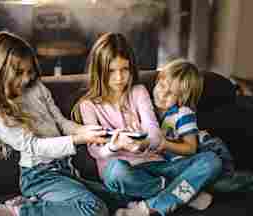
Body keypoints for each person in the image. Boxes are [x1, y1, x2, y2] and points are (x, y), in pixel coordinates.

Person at [71, 32, 222, 216]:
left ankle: (151, 206)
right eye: (111, 71)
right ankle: (184, 195)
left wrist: (142, 143)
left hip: (156, 166)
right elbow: (95, 151)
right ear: (100, 70)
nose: (119, 77)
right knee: (116, 172)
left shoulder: (138, 91)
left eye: (124, 69)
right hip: (125, 173)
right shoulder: (87, 106)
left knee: (211, 161)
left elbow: (154, 133)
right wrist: (114, 145)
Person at [0, 31, 113, 216]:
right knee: (94, 209)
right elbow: (34, 146)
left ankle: (39, 203)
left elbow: (61, 123)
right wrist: (79, 139)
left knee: (116, 199)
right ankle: (18, 211)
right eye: (19, 72)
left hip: (65, 169)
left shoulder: (36, 88)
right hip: (39, 176)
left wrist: (86, 130)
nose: (26, 79)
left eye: (29, 71)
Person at [152, 58, 253, 200]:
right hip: (190, 162)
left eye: (171, 93)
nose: (162, 94)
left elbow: (191, 148)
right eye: (162, 85)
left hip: (209, 151)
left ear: (182, 100)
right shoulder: (152, 107)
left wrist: (165, 144)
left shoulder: (183, 114)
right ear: (158, 79)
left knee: (220, 184)